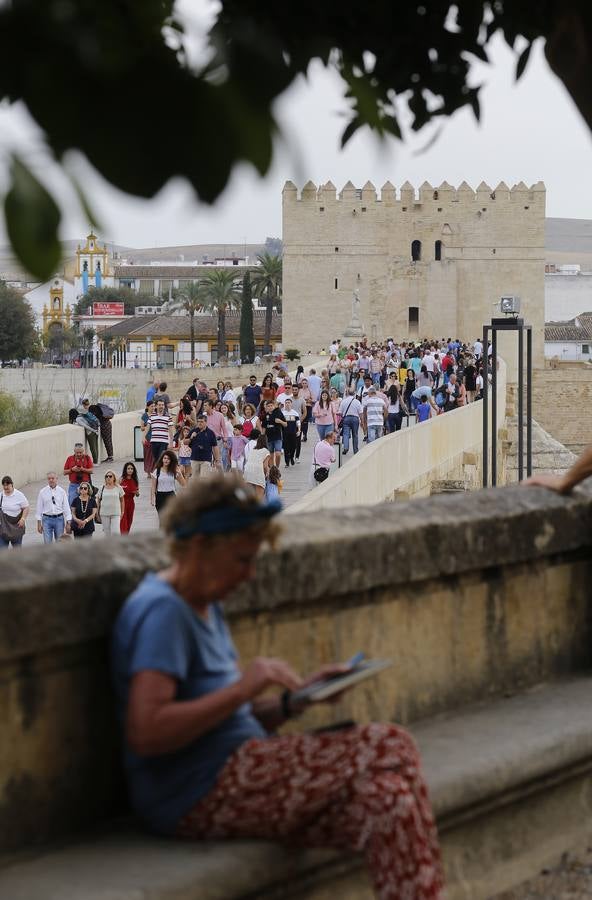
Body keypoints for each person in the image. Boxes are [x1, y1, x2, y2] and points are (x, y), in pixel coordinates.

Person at [110, 478, 441, 900]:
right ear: (200, 547)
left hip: (234, 773)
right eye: (241, 559)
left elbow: (227, 718)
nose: (249, 574)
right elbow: (148, 731)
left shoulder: (204, 605)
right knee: (392, 746)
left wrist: (294, 700)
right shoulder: (164, 612)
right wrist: (243, 689)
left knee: (388, 803)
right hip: (201, 789)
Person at [36, 472, 72, 543]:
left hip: (59, 519)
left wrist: (68, 522)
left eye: (53, 478)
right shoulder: (42, 492)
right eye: (49, 478)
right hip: (46, 519)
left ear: (56, 479)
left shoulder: (62, 492)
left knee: (60, 542)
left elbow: (66, 508)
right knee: (47, 542)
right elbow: (39, 508)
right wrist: (39, 523)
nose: (51, 480)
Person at [151, 451, 186, 521]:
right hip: (160, 497)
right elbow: (153, 487)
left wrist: (180, 473)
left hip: (171, 496)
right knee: (162, 519)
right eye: (165, 458)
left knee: (172, 519)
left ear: (171, 461)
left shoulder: (173, 471)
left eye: (168, 459)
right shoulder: (157, 471)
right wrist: (152, 498)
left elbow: (184, 484)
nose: (166, 460)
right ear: (162, 459)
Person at [0, 475, 29, 548]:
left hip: (17, 527)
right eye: (4, 485)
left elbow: (26, 507)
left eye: (7, 485)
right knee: (2, 551)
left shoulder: (19, 495)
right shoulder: (1, 495)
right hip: (4, 528)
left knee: (17, 551)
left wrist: (23, 519)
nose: (6, 487)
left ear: (12, 484)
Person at [64, 442, 94, 507]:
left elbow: (91, 470)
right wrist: (72, 470)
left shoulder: (87, 458)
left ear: (83, 451)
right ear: (74, 451)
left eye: (80, 452)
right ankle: (72, 517)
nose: (79, 454)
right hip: (73, 485)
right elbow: (64, 472)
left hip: (85, 484)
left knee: (86, 504)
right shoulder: (70, 458)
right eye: (77, 452)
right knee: (72, 502)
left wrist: (82, 469)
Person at [243, 433, 271, 499]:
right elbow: (265, 466)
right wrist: (268, 474)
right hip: (257, 471)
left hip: (247, 471)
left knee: (249, 496)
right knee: (259, 497)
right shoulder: (266, 451)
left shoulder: (253, 449)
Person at [97, 471, 125, 536]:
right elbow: (98, 501)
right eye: (106, 476)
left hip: (116, 513)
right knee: (107, 534)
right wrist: (97, 513)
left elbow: (122, 500)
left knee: (116, 533)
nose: (108, 478)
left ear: (114, 478)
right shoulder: (102, 488)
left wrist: (122, 512)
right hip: (104, 514)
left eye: (110, 476)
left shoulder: (118, 488)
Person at [260, 400, 286, 468]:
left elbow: (285, 424)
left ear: (274, 406)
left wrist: (280, 421)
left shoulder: (278, 413)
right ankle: (272, 469)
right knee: (270, 455)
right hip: (268, 437)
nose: (270, 407)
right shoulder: (265, 416)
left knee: (278, 454)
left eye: (271, 406)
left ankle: (277, 467)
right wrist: (262, 437)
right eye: (268, 406)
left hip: (277, 437)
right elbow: (264, 427)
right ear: (266, 407)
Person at [339, 388, 363, 455]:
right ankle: (355, 450)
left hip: (346, 418)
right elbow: (360, 413)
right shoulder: (357, 402)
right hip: (355, 419)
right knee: (355, 435)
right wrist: (362, 421)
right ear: (354, 393)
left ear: (347, 393)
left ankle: (346, 447)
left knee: (345, 434)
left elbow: (340, 412)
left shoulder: (344, 401)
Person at [148, 399, 173, 464]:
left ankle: (159, 473)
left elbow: (171, 431)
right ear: (156, 406)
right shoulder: (152, 416)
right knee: (156, 459)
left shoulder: (168, 416)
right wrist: (143, 437)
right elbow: (147, 427)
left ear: (164, 406)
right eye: (159, 405)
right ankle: (158, 472)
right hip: (154, 441)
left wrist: (171, 443)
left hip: (164, 441)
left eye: (162, 405)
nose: (161, 406)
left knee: (161, 458)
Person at [120, 462, 140, 534]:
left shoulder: (135, 480)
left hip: (131, 503)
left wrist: (137, 493)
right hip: (122, 503)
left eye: (132, 469)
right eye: (128, 468)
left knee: (129, 522)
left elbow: (137, 494)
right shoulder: (121, 480)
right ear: (125, 470)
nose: (130, 470)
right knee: (123, 523)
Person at [282, 398, 301, 467]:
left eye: (288, 403)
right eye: (286, 403)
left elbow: (298, 423)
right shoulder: (282, 413)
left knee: (293, 447)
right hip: (285, 433)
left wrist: (299, 430)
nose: (287, 404)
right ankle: (287, 462)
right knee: (286, 448)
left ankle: (291, 457)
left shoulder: (295, 413)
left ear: (291, 404)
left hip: (293, 432)